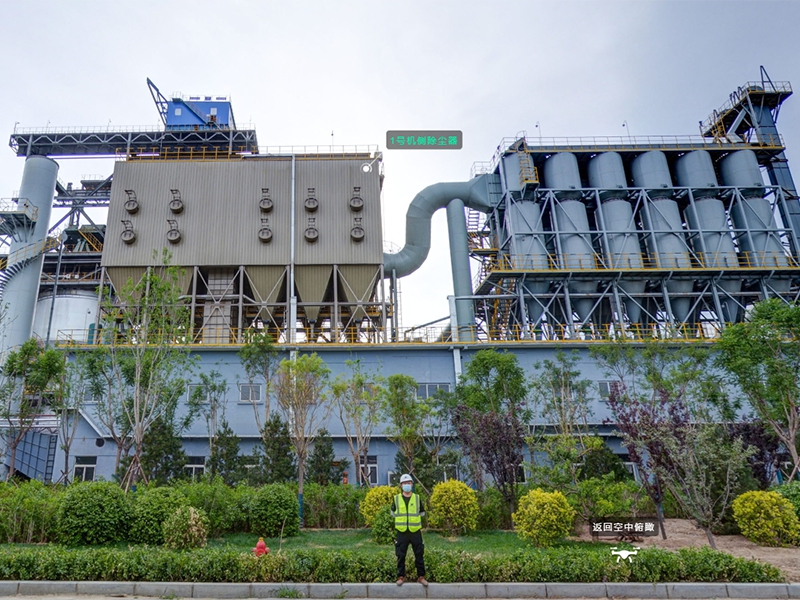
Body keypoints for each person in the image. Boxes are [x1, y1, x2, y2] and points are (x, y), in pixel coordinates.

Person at [391, 473, 428, 586]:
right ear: (401, 485)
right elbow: (393, 512)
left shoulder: (417, 498)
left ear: (412, 484)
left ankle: (421, 577)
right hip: (402, 531)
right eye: (404, 483)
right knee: (400, 555)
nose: (407, 485)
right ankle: (401, 576)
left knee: (419, 554)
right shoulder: (396, 499)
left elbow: (422, 512)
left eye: (408, 483)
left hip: (415, 531)